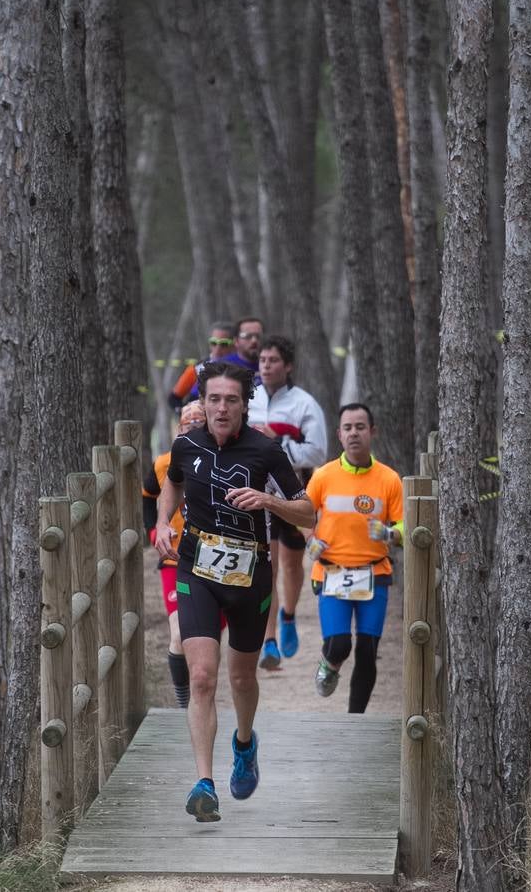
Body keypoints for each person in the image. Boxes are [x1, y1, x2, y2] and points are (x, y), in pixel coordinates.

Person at [154, 360, 314, 822]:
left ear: (245, 405)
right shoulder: (186, 443)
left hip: (250, 576)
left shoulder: (265, 451)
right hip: (196, 567)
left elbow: (307, 513)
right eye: (214, 399)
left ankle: (244, 741)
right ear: (201, 402)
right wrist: (165, 521)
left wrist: (268, 500)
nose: (222, 408)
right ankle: (204, 782)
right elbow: (173, 484)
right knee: (201, 675)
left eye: (231, 400)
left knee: (242, 678)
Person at [305, 403, 403, 712]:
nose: (354, 433)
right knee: (339, 645)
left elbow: (403, 524)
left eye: (360, 427)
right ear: (339, 434)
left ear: (372, 432)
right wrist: (311, 542)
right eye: (347, 428)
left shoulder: (389, 479)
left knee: (366, 649)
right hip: (331, 571)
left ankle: (355, 718)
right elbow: (302, 515)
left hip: (374, 573)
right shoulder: (323, 476)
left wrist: (389, 534)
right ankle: (330, 664)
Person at [248, 335, 327, 669]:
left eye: (273, 360)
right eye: (262, 360)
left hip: (294, 493)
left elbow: (318, 451)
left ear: (288, 366)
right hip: (258, 493)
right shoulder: (246, 399)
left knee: (292, 566)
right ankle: (269, 641)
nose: (266, 366)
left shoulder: (304, 404)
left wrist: (275, 443)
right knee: (267, 565)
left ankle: (289, 615)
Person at [143, 401, 226, 708]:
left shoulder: (223, 460)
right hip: (175, 559)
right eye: (185, 425)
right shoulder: (164, 463)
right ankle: (184, 703)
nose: (191, 430)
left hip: (217, 560)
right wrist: (154, 530)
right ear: (178, 429)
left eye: (197, 425)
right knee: (179, 631)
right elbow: (147, 496)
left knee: (208, 638)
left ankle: (203, 695)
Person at [167, 321, 235, 411]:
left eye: (224, 344)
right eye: (214, 343)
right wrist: (184, 413)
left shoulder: (242, 367)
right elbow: (173, 398)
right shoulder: (197, 368)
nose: (217, 348)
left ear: (234, 344)